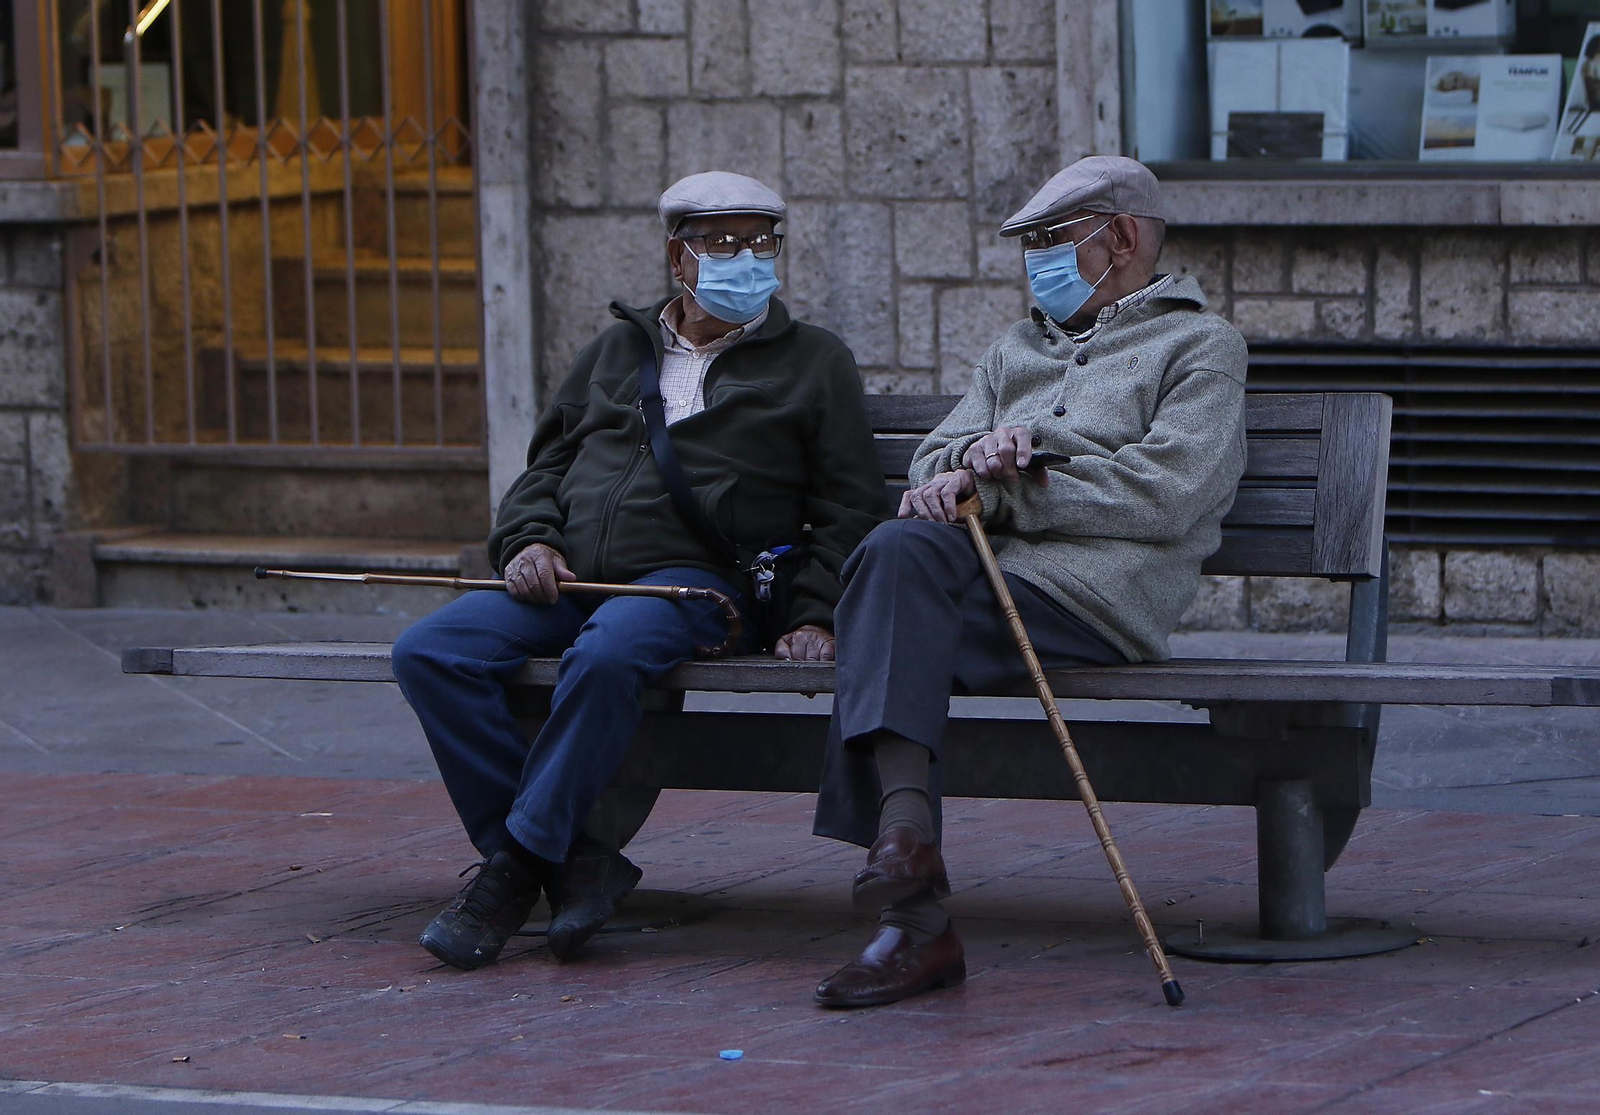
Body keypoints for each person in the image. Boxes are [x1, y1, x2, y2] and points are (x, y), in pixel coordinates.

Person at [393, 171, 886, 971]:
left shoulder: (813, 362)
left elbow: (850, 506)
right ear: (677, 257)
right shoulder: (615, 349)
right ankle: (567, 860)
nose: (746, 257)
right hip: (572, 577)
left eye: (761, 241)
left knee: (610, 651)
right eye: (723, 242)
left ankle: (511, 872)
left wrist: (814, 612)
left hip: (695, 586)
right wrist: (528, 542)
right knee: (430, 651)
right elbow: (544, 469)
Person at [810, 156, 1249, 1008]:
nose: (1035, 260)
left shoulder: (1199, 346)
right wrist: (967, 462)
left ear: (1120, 237)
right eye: (1032, 244)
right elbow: (934, 455)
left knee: (884, 612)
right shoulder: (1016, 349)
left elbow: (1170, 493)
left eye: (1051, 240)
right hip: (980, 583)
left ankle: (913, 919)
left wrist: (1017, 481)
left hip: (1096, 597)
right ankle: (905, 849)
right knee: (896, 556)